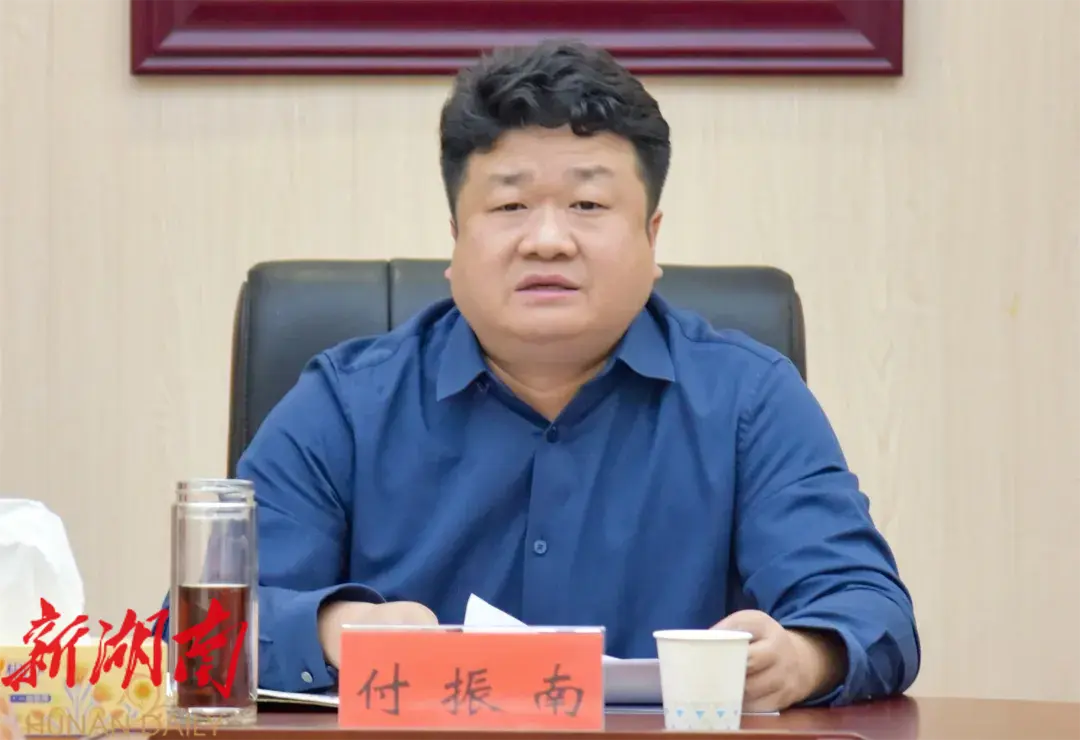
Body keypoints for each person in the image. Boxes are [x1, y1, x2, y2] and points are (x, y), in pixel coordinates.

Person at [242, 40, 920, 711]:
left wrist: (802, 658)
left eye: (588, 206)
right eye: (509, 207)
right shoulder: (345, 405)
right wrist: (335, 629)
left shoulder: (750, 399)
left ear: (652, 237)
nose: (547, 240)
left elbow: (868, 608)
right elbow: (211, 627)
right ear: (456, 239)